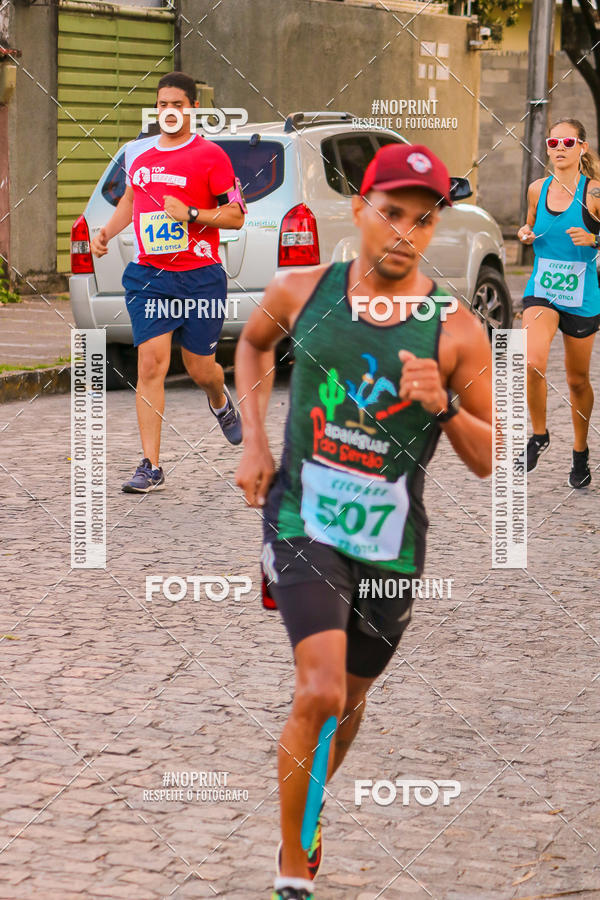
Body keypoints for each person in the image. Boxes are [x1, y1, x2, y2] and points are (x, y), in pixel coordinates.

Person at [234, 143, 493, 900]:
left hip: (391, 542)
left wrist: (443, 406)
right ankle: (292, 870)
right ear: (361, 210)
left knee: (348, 703)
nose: (404, 231)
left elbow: (488, 456)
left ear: (435, 224)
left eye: (421, 218)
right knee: (316, 693)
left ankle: (308, 805)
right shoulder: (302, 290)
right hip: (302, 517)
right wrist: (252, 439)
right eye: (391, 213)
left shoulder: (455, 331)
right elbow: (251, 346)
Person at [91, 71, 245, 493]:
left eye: (177, 104)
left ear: (193, 109)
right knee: (151, 364)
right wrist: (105, 232)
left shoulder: (211, 157)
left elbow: (235, 215)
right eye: (162, 105)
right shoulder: (140, 160)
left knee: (201, 368)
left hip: (200, 278)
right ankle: (150, 466)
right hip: (150, 278)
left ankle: (219, 400)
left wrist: (193, 215)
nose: (169, 112)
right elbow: (129, 201)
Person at [518, 117, 600, 487]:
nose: (560, 149)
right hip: (544, 291)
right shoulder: (537, 188)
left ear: (582, 147)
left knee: (577, 380)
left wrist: (594, 241)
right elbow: (530, 224)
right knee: (532, 361)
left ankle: (580, 454)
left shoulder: (595, 192)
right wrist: (523, 232)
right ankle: (539, 435)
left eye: (568, 142)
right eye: (554, 143)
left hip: (582, 296)